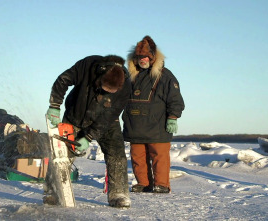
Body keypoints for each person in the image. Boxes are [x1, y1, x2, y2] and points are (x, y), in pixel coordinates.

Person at [46, 55, 132, 207]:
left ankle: (118, 194)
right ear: (100, 77)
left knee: (116, 153)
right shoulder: (88, 65)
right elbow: (63, 80)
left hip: (106, 122)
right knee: (61, 154)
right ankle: (53, 191)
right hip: (75, 116)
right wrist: (54, 105)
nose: (107, 93)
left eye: (111, 91)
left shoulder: (126, 86)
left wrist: (89, 137)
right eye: (105, 89)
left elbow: (109, 116)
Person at [122, 36, 185, 193]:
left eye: (145, 57)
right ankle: (143, 183)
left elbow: (175, 100)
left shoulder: (165, 76)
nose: (142, 60)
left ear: (153, 58)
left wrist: (173, 117)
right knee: (137, 157)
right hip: (134, 127)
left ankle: (161, 184)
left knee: (159, 157)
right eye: (139, 57)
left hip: (158, 128)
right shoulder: (129, 77)